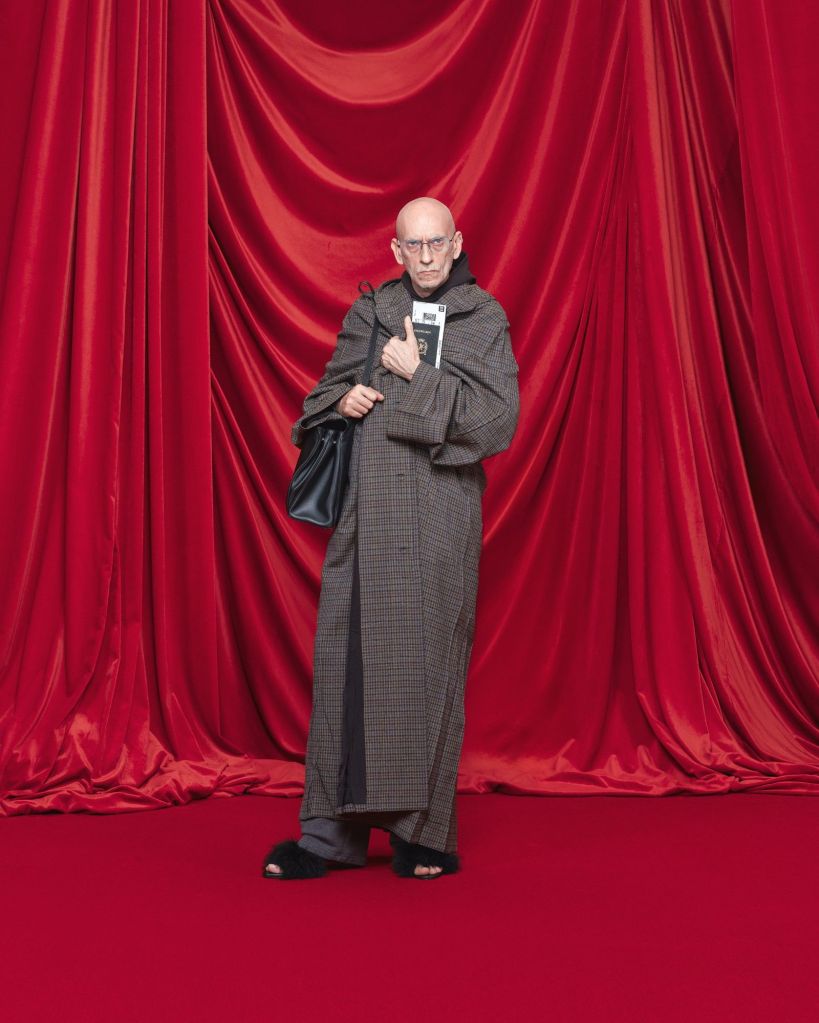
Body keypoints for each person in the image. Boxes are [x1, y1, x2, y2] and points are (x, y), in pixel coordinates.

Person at [263, 197, 519, 880]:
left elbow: (497, 422)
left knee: (427, 671)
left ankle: (423, 837)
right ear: (396, 252)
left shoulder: (483, 318)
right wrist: (341, 403)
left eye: (437, 243)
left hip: (440, 518)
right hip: (367, 514)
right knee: (347, 668)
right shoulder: (371, 312)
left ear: (456, 244)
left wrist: (416, 375)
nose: (427, 257)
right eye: (414, 245)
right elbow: (319, 399)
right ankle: (329, 839)